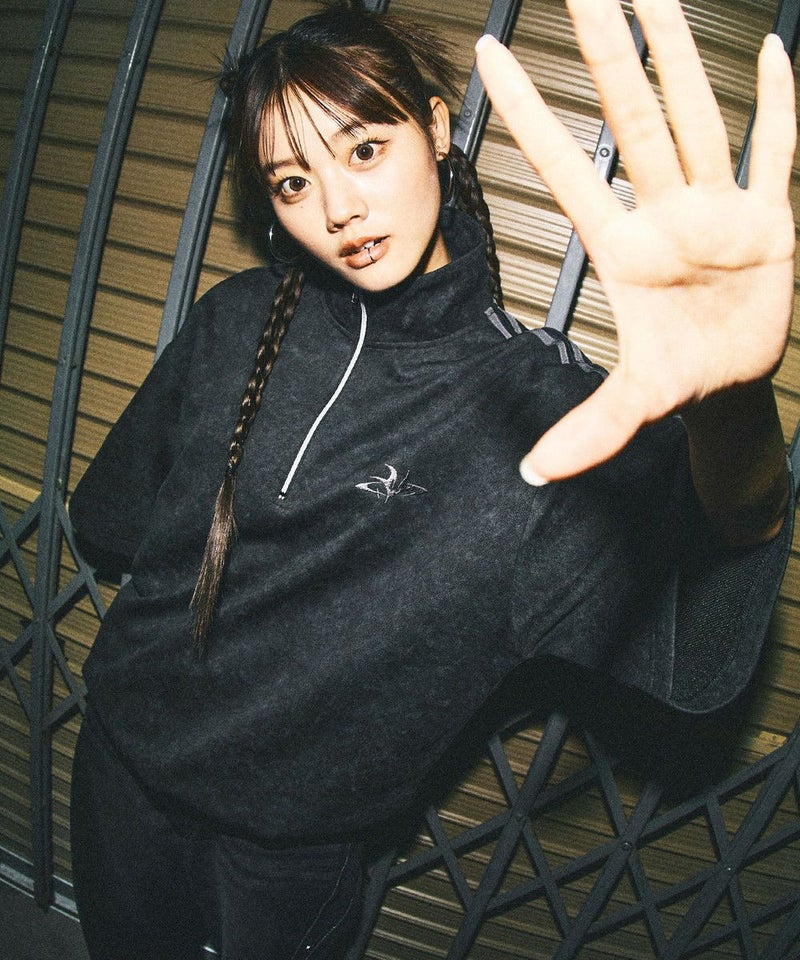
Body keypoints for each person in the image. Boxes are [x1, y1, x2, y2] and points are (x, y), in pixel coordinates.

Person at [67, 0, 796, 957]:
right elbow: (111, 518)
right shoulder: (236, 316)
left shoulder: (545, 406)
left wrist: (732, 405)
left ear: (438, 129)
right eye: (292, 181)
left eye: (364, 150)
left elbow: (695, 652)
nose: (337, 209)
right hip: (116, 772)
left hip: (288, 853)